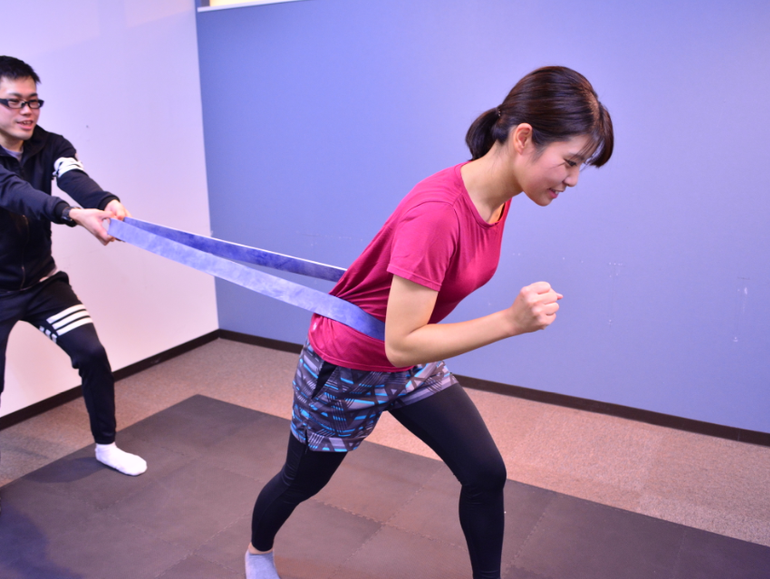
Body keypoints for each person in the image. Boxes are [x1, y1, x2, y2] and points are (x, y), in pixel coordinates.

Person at [243, 65, 614, 579]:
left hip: (412, 356)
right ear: (524, 138)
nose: (572, 180)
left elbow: (408, 338)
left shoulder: (500, 196)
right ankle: (257, 551)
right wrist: (510, 321)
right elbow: (401, 342)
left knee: (485, 472)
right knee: (300, 480)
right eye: (570, 162)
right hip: (349, 366)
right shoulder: (440, 211)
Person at [0, 56, 147, 525]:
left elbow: (73, 176)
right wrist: (71, 214)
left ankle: (106, 445)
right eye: (14, 102)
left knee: (92, 354)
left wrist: (104, 202)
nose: (27, 112)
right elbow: (12, 191)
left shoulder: (50, 144)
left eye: (33, 101)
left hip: (42, 283)